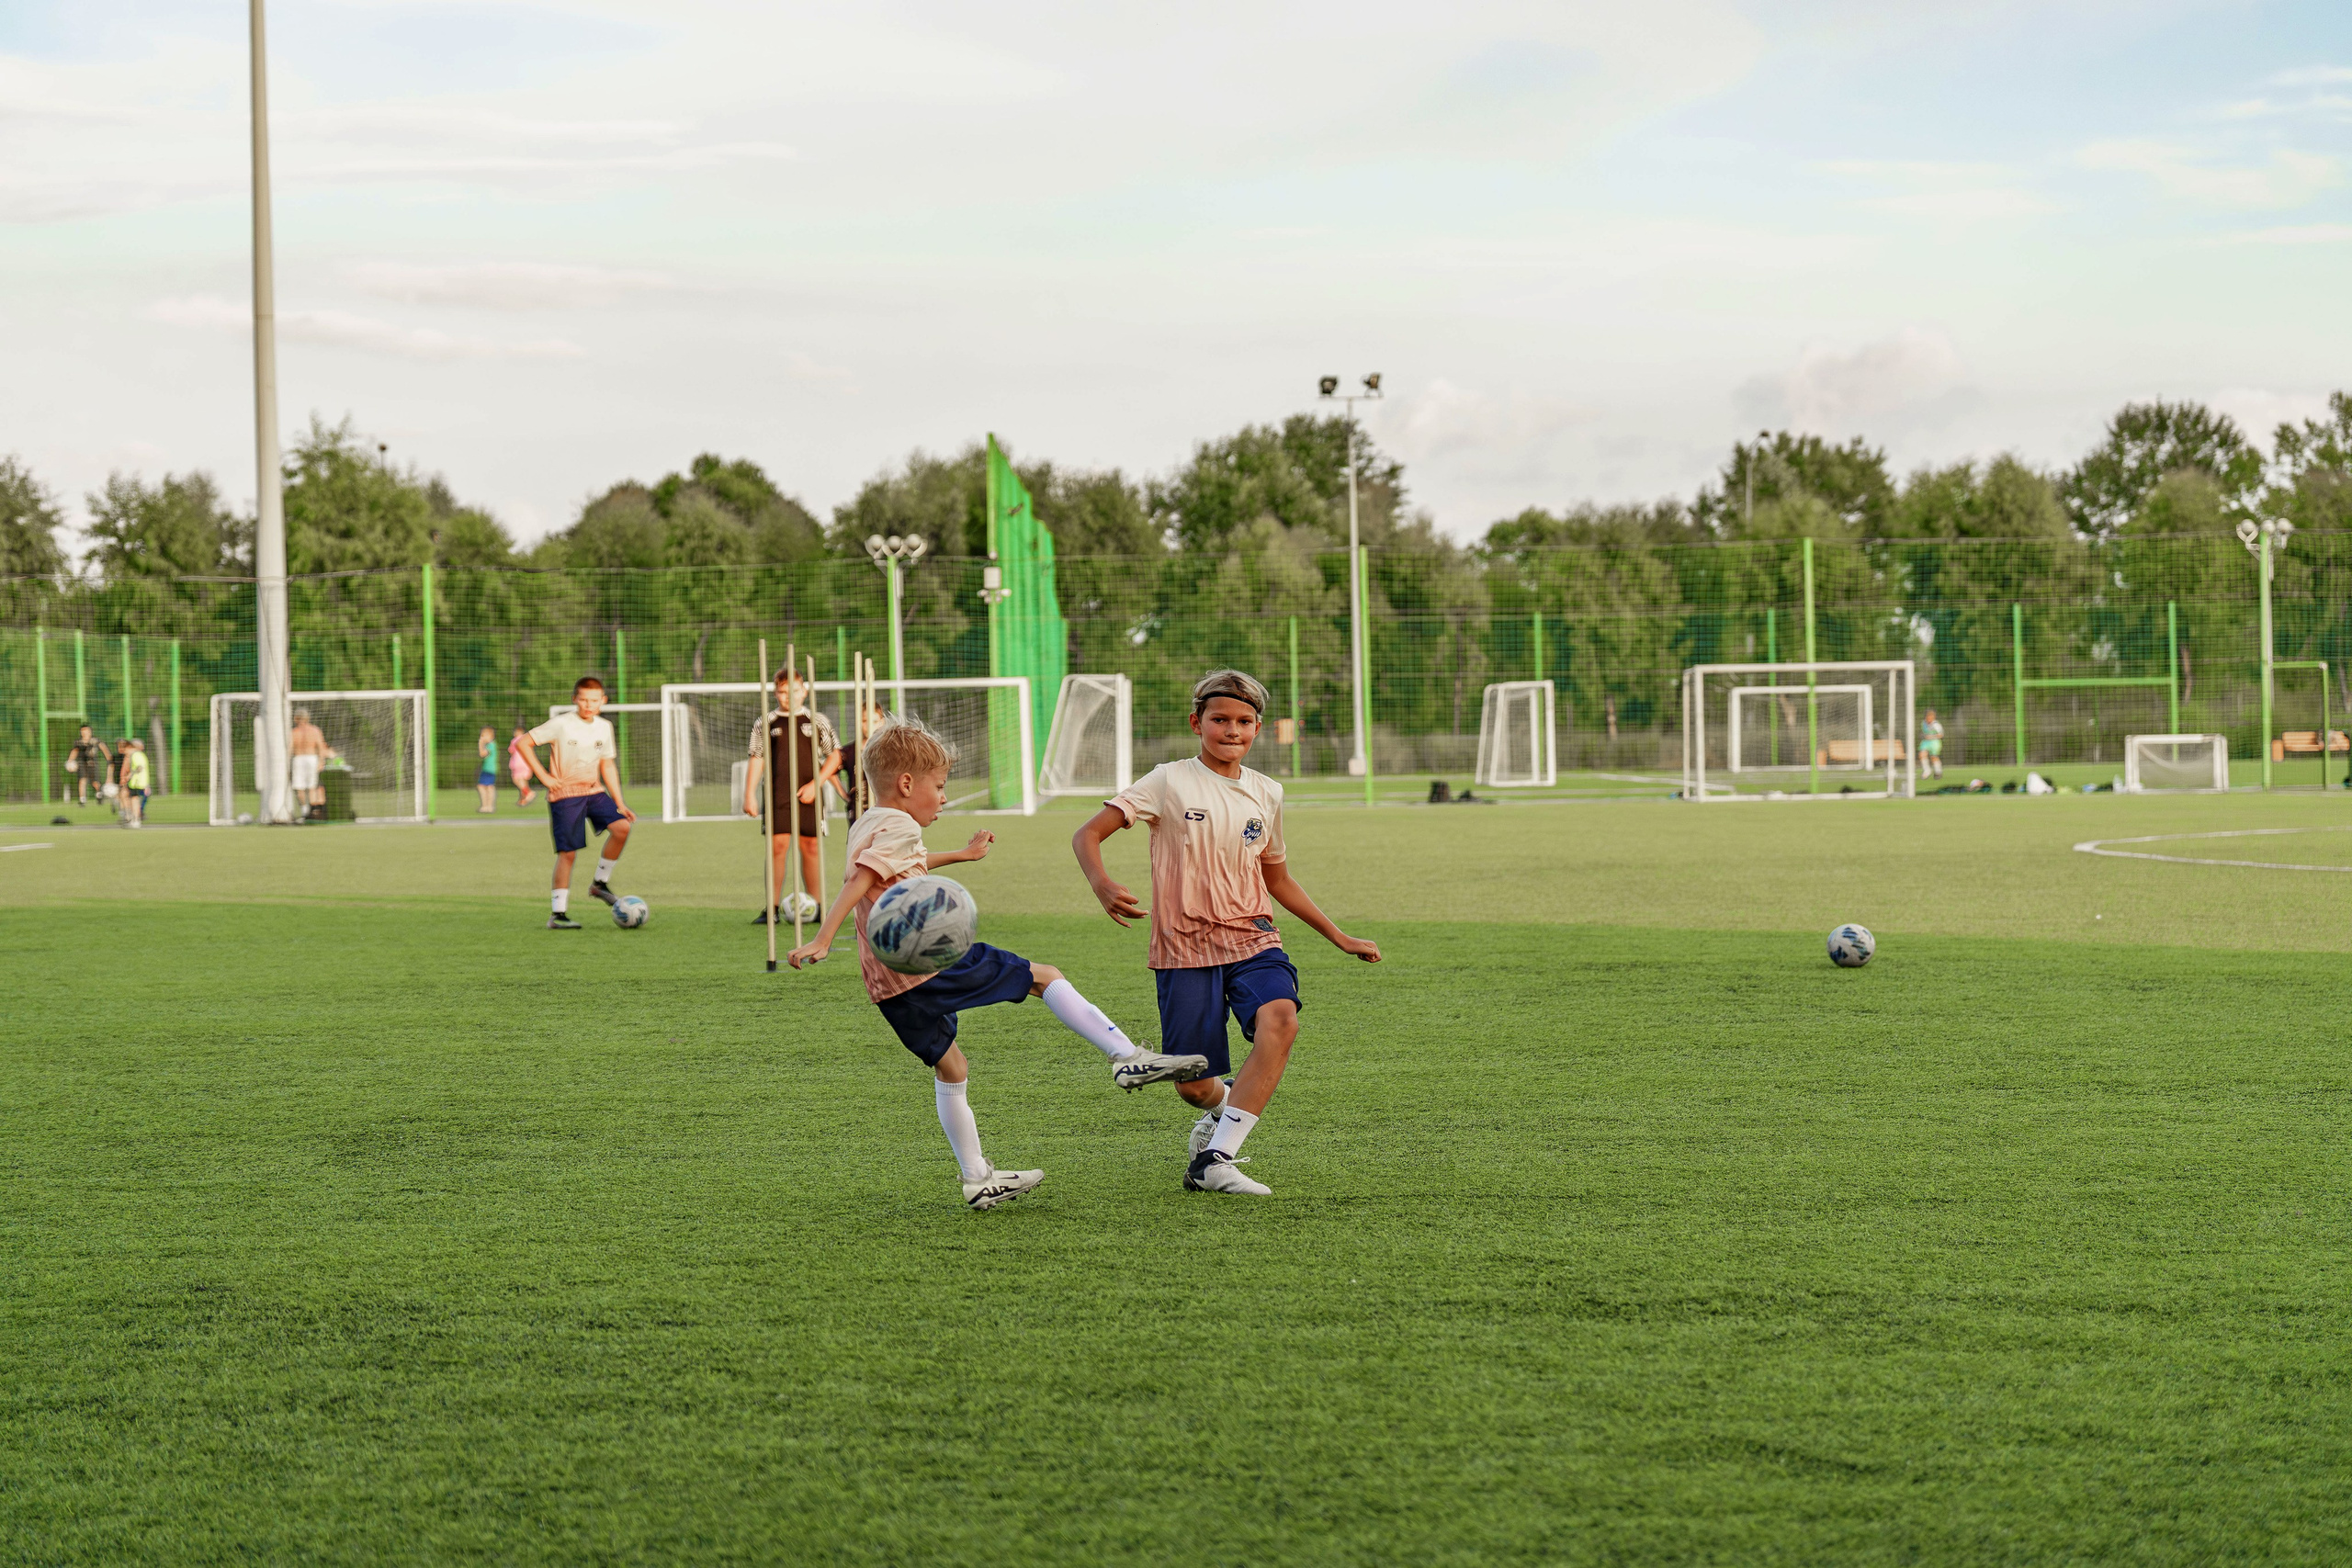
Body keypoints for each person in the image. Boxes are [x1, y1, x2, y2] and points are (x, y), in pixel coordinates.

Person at [786, 718, 1210, 1210]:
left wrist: (962, 855)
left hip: (887, 983)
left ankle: (976, 1179)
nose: (944, 797)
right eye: (938, 787)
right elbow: (861, 879)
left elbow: (898, 863)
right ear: (905, 784)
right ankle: (1126, 1056)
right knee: (1044, 977)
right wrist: (823, 937)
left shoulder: (869, 821)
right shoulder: (901, 825)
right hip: (927, 963)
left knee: (952, 1067)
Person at [1071, 668, 1381, 1198]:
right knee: (1194, 1085)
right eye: (1220, 719)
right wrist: (1101, 884)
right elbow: (1087, 835)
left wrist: (1340, 937)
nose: (1231, 730)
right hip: (1184, 946)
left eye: (1243, 721)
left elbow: (1277, 878)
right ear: (1197, 723)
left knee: (1280, 1019)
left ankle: (1215, 1160)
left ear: (1258, 728)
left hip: (1253, 936)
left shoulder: (1267, 792)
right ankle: (1223, 1107)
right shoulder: (1168, 780)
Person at [514, 676, 635, 930]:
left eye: (594, 700)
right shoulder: (561, 724)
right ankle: (558, 915)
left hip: (593, 791)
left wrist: (620, 802)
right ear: (574, 699)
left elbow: (607, 764)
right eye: (583, 700)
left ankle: (599, 884)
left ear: (603, 701)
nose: (588, 705)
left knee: (622, 827)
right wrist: (544, 777)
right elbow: (523, 742)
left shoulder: (604, 727)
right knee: (568, 854)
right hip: (565, 795)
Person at [743, 667, 842, 924]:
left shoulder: (817, 720)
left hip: (809, 794)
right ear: (775, 693)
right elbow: (757, 758)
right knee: (778, 846)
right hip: (777, 795)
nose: (789, 696)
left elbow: (834, 756)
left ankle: (817, 906)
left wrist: (816, 785)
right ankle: (772, 908)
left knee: (810, 847)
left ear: (805, 691)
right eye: (783, 692)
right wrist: (749, 794)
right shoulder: (766, 722)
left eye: (795, 690)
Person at [289, 708, 329, 816]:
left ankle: (305, 811)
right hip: (312, 759)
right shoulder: (315, 730)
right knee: (311, 787)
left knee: (300, 787)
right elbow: (321, 747)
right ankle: (311, 810)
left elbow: (290, 749)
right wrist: (321, 761)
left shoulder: (294, 732)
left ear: (296, 718)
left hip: (298, 759)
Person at [66, 725, 108, 807]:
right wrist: (70, 761)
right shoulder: (78, 742)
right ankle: (82, 800)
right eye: (83, 731)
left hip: (92, 763)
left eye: (86, 731)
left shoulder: (95, 741)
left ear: (90, 732)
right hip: (82, 763)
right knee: (82, 780)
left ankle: (99, 794)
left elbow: (104, 749)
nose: (84, 733)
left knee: (95, 782)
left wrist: (109, 759)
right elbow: (74, 751)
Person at [119, 738, 150, 829]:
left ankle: (136, 820)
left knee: (134, 800)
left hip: (137, 782)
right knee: (131, 798)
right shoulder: (138, 755)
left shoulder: (136, 755)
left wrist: (130, 775)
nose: (125, 753)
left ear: (129, 747)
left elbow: (139, 767)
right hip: (137, 782)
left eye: (125, 750)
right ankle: (133, 819)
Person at [508, 724, 538, 807]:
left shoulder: (515, 740)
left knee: (516, 779)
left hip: (518, 763)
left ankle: (528, 792)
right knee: (524, 781)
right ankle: (523, 799)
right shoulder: (527, 739)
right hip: (527, 762)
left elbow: (511, 751)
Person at [475, 727, 501, 813]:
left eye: (483, 735)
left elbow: (482, 754)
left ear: (490, 736)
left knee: (485, 787)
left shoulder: (491, 745)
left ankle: (487, 806)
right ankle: (488, 806)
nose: (481, 737)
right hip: (488, 769)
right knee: (488, 787)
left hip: (489, 770)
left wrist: (480, 744)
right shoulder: (491, 745)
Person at [1920, 708, 1944, 780]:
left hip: (1935, 742)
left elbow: (1941, 735)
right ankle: (1927, 771)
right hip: (1926, 742)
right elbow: (1923, 732)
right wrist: (1923, 736)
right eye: (1927, 717)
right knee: (1922, 754)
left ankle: (1938, 771)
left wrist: (1932, 736)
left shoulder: (1936, 725)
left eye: (1930, 717)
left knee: (1933, 757)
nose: (1929, 719)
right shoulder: (1923, 723)